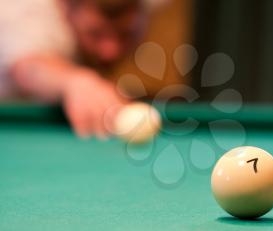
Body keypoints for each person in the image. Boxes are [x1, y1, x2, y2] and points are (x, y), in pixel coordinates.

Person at [0, 0, 156, 139]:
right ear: (64, 6)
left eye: (124, 34)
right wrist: (74, 81)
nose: (110, 51)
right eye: (95, 33)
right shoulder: (27, 12)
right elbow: (28, 68)